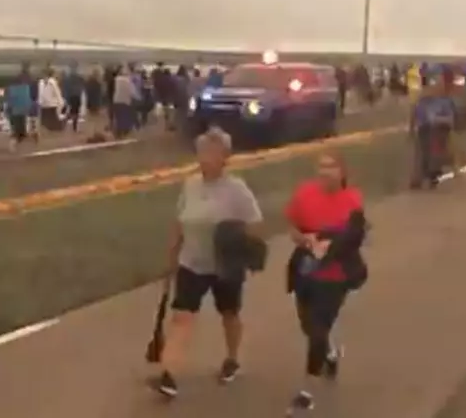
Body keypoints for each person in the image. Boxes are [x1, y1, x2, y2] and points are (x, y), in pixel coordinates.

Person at [150, 128, 265, 398]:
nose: (205, 157)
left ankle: (232, 359)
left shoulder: (237, 189)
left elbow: (256, 226)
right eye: (202, 151)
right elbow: (180, 221)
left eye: (211, 152)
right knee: (181, 318)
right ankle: (169, 376)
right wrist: (172, 255)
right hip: (192, 262)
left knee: (229, 314)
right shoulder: (190, 184)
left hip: (225, 266)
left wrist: (237, 244)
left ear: (225, 157)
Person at [284, 152, 368, 414]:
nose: (325, 172)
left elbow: (354, 236)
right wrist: (307, 240)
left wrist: (331, 245)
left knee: (318, 328)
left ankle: (307, 391)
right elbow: (293, 228)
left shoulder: (352, 200)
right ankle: (330, 352)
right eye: (321, 166)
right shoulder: (304, 193)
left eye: (331, 167)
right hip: (305, 271)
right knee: (308, 324)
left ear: (342, 172)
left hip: (335, 275)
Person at [409, 80, 457, 189]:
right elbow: (414, 117)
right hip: (424, 130)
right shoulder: (420, 103)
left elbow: (450, 118)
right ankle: (419, 178)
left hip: (438, 130)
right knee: (422, 155)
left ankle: (432, 176)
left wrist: (440, 122)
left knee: (435, 155)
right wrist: (411, 130)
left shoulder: (444, 102)